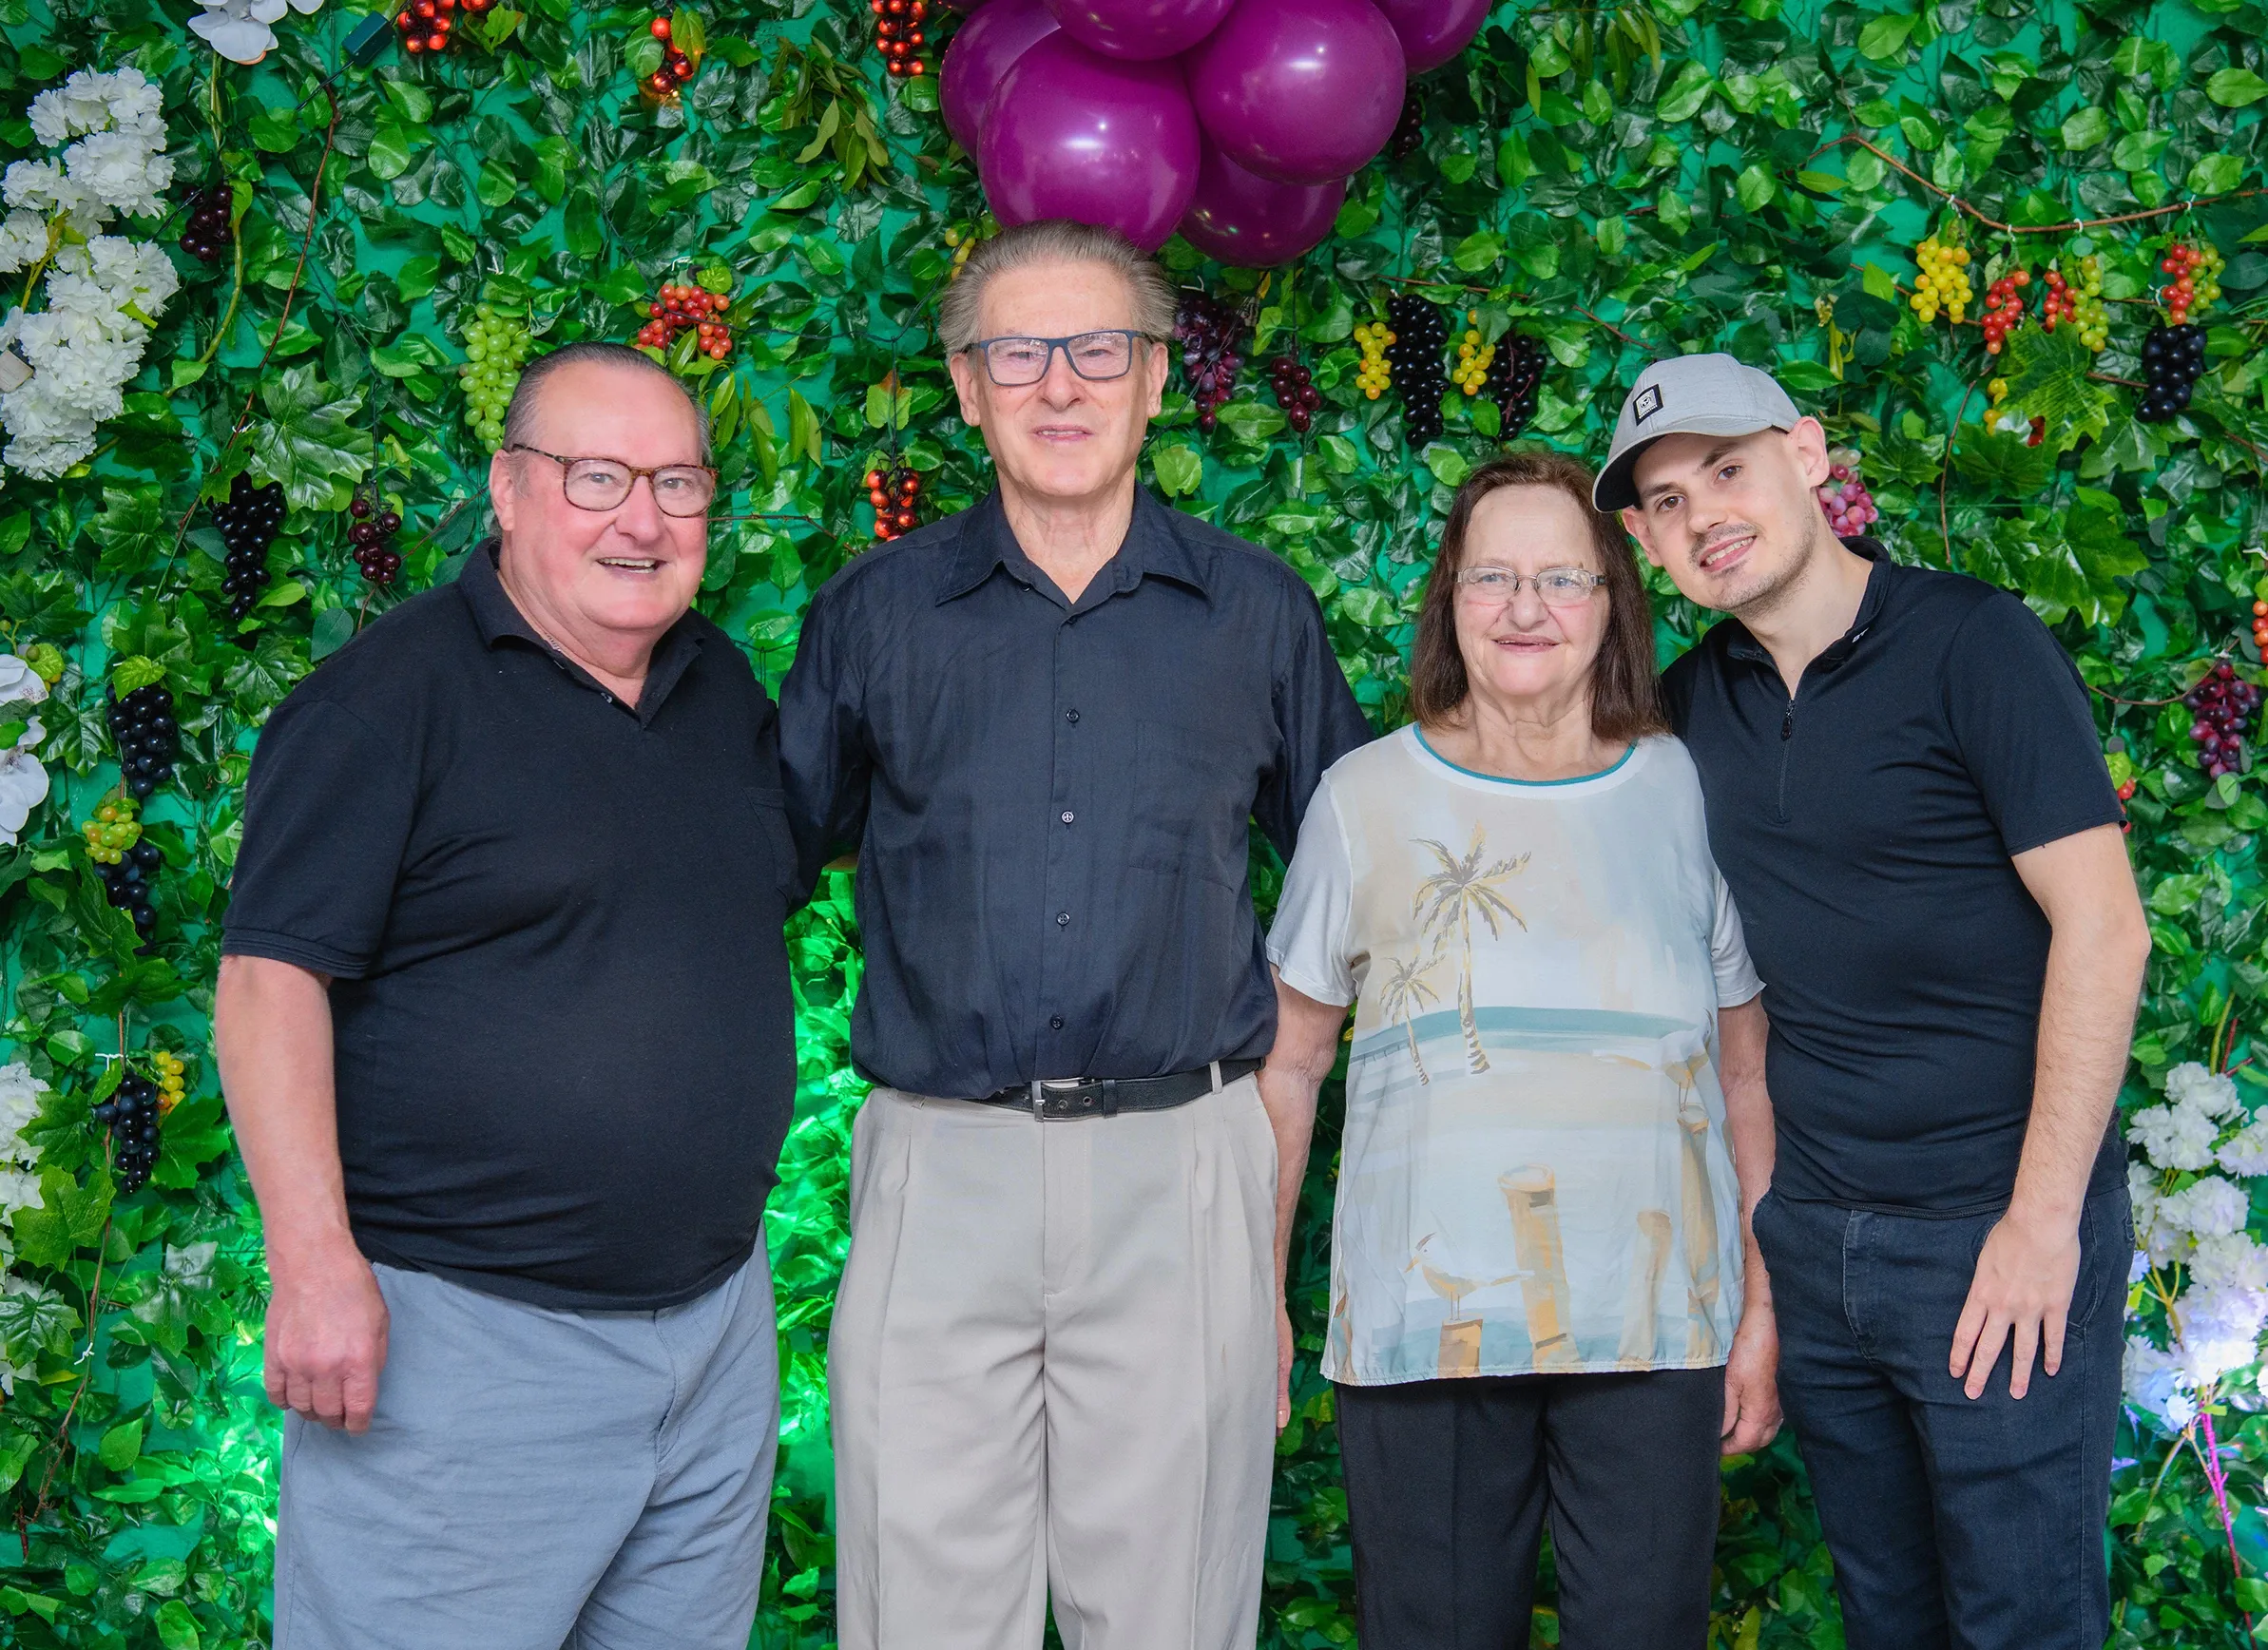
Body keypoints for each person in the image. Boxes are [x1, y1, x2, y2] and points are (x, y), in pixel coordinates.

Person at [779, 218, 1371, 1650]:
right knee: (917, 1613)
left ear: (1155, 380)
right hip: (941, 1165)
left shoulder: (1255, 616)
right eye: (1016, 352)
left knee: (1170, 1614)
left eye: (1096, 349)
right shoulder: (874, 615)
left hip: (1181, 1169)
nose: (1059, 384)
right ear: (965, 385)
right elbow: (762, 861)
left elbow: (1358, 889)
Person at [214, 341, 798, 1650]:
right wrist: (311, 1270)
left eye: (678, 484)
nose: (640, 520)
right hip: (464, 1349)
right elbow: (266, 982)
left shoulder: (720, 692)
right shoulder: (383, 700)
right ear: (508, 490)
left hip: (711, 1335)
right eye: (597, 477)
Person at [1601, 354, 2150, 1650]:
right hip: (1819, 1242)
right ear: (1644, 542)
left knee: (2020, 1622)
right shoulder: (1687, 709)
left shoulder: (1973, 643)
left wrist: (2039, 1226)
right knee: (1886, 1618)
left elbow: (2105, 930)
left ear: (1807, 454)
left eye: (1725, 471)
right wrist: (1769, 1266)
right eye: (1667, 505)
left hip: (1990, 1235)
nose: (1704, 517)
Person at [1261, 450, 1778, 1650]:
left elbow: (1744, 1066)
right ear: (1449, 596)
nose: (1525, 608)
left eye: (1562, 577)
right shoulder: (1362, 795)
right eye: (1492, 576)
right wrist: (1258, 1291)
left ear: (1613, 601)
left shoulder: (1687, 787)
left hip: (1658, 1331)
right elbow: (1288, 1068)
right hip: (1419, 1337)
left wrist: (1766, 1303)